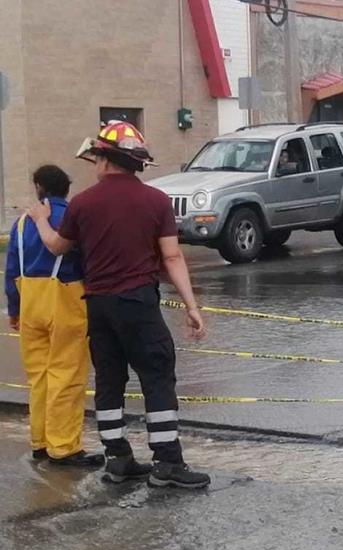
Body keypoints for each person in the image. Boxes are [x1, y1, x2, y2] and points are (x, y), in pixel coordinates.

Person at [28, 121, 211, 489]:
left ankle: (118, 459)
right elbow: (172, 257)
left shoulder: (82, 203)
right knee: (157, 376)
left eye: (96, 157)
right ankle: (167, 464)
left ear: (106, 160)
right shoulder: (155, 200)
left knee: (110, 379)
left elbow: (57, 248)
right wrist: (192, 306)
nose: (94, 164)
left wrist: (39, 220)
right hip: (138, 302)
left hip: (97, 305)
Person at [5, 165, 102, 468]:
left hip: (30, 304)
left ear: (39, 187)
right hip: (67, 301)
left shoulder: (21, 224)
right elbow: (90, 262)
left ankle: (40, 442)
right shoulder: (73, 217)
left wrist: (14, 309)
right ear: (66, 188)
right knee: (67, 375)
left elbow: (11, 271)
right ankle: (64, 447)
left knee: (39, 377)